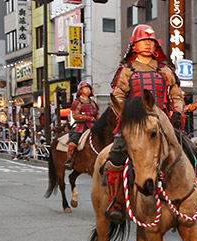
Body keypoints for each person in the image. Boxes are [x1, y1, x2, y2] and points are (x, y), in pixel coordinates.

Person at [102, 24, 190, 222]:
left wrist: (177, 112)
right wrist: (129, 118)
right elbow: (117, 97)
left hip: (164, 123)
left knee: (193, 151)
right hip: (136, 125)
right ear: (134, 45)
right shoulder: (126, 70)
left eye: (151, 42)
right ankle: (115, 201)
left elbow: (176, 95)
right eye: (144, 41)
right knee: (116, 154)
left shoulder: (165, 69)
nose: (148, 45)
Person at [63, 81, 100, 170]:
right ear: (81, 90)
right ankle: (70, 159)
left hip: (93, 124)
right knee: (73, 140)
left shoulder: (92, 102)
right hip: (81, 125)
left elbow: (96, 113)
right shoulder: (77, 102)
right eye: (85, 88)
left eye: (88, 88)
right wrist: (88, 118)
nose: (88, 90)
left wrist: (100, 118)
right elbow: (75, 115)